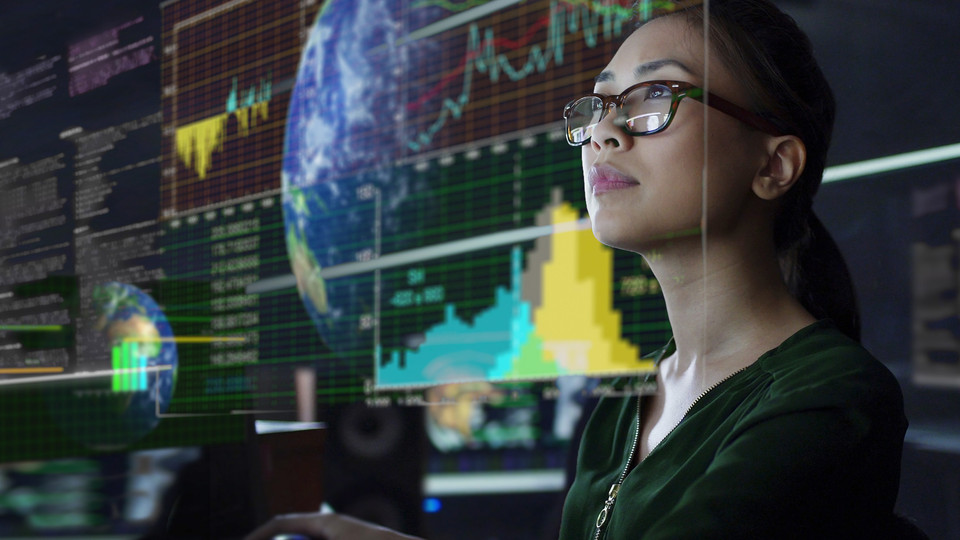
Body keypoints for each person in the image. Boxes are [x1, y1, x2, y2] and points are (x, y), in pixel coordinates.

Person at [247, 1, 907, 538]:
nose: (602, 134)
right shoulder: (626, 399)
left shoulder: (832, 396)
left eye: (653, 100)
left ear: (774, 166)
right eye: (596, 107)